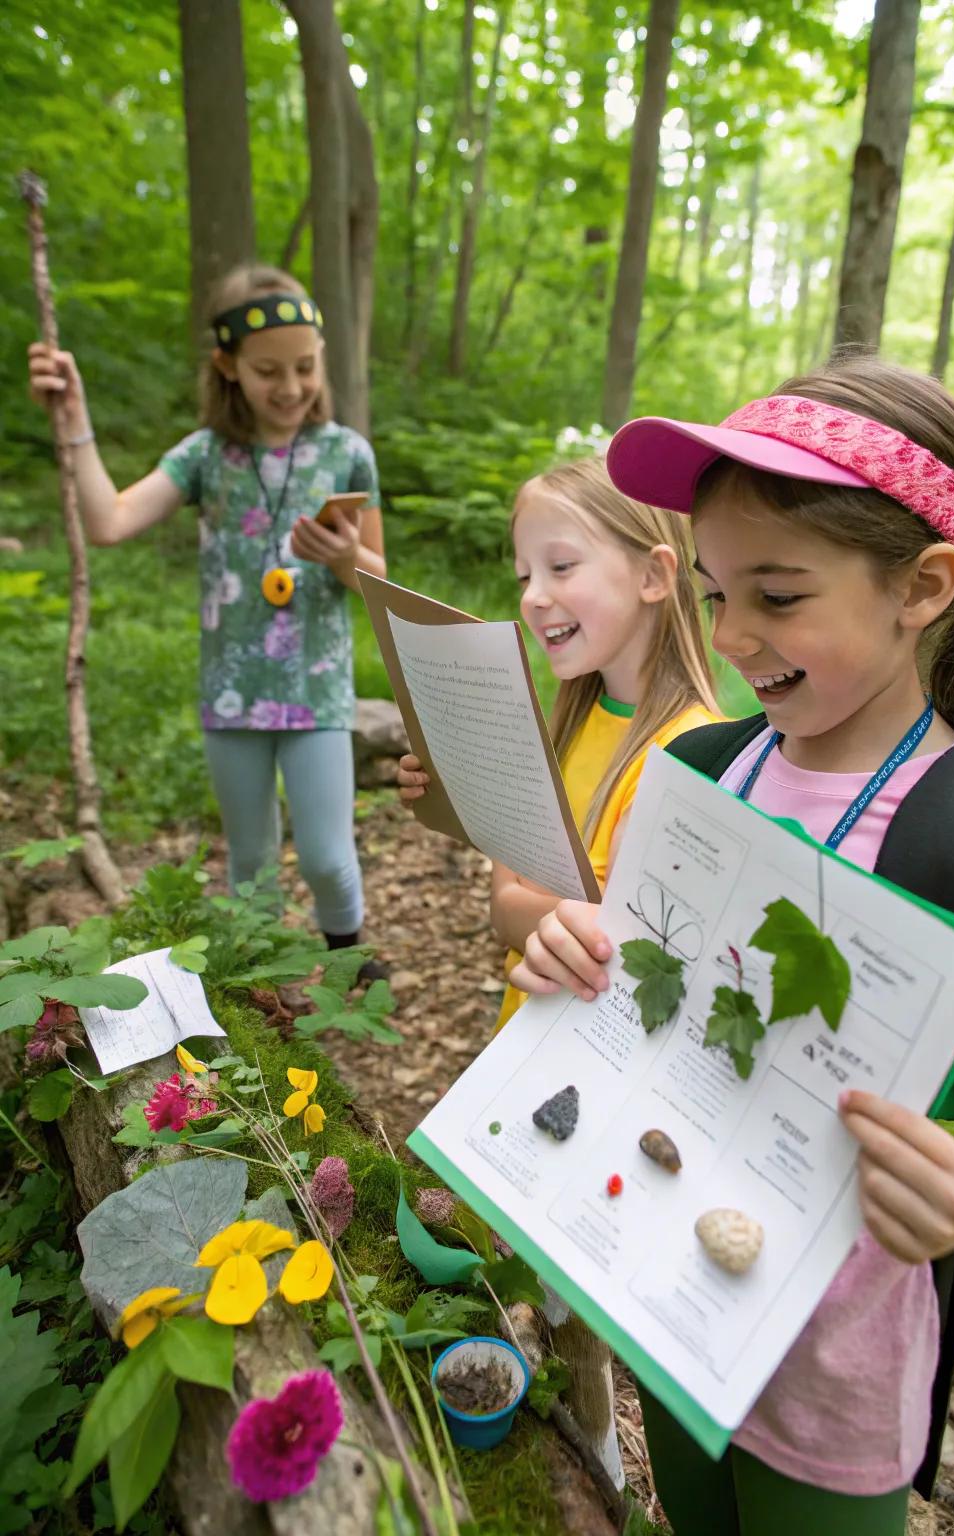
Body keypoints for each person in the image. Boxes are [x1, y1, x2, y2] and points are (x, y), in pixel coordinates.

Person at [509, 357, 954, 1534]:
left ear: (925, 584)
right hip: (662, 1280)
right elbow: (635, 989)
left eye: (778, 596)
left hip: (833, 1365)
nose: (730, 632)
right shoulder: (696, 773)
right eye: (713, 588)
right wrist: (569, 960)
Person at [28, 263, 385, 961]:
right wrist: (75, 422)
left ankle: (347, 958)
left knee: (327, 859)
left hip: (317, 693)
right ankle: (267, 994)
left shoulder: (346, 455)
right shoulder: (206, 457)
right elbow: (110, 520)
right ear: (228, 366)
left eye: (305, 368)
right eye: (267, 371)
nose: (290, 388)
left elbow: (381, 580)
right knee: (250, 866)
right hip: (232, 696)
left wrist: (344, 559)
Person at [399, 453, 720, 1029]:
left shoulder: (690, 757)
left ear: (653, 576)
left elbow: (627, 952)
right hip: (522, 1038)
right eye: (525, 576)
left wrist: (548, 914)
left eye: (562, 566)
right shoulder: (564, 728)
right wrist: (465, 784)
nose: (533, 596)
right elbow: (503, 909)